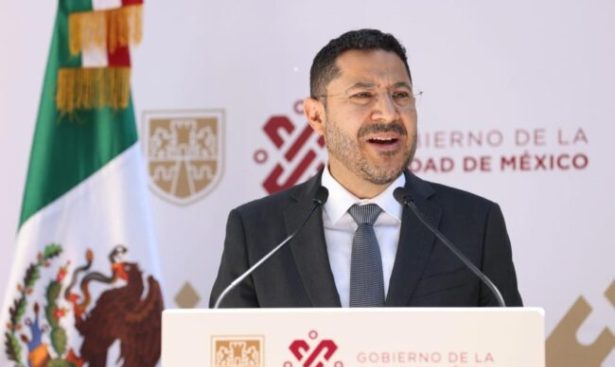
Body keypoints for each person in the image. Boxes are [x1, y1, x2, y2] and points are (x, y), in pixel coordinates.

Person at [209, 29, 522, 308]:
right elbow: (226, 349)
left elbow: (510, 349)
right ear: (316, 115)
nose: (388, 113)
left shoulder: (474, 225)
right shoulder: (257, 231)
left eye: (400, 95)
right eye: (363, 95)